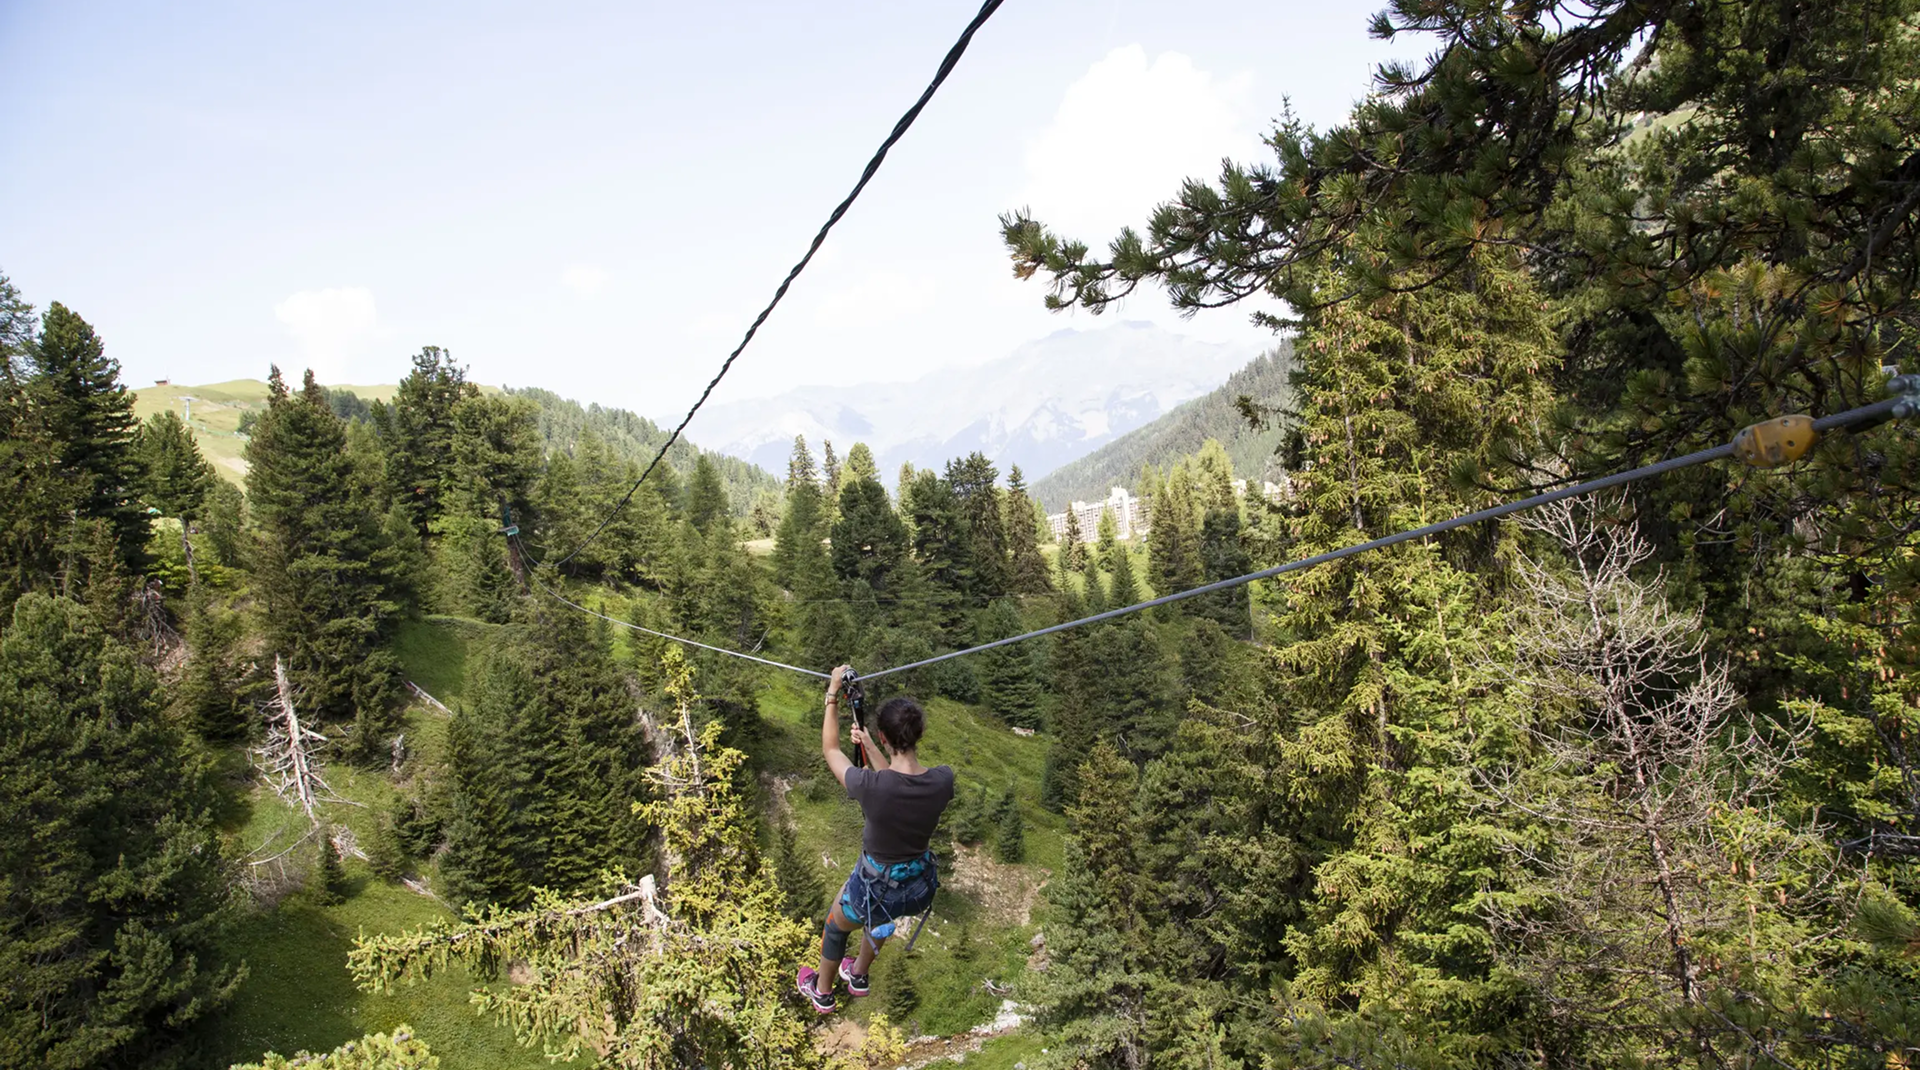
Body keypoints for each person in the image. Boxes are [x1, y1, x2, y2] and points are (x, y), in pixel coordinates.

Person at [796, 665, 955, 1014]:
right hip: (917, 887)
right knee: (883, 917)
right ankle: (858, 974)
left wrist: (832, 694)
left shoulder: (871, 786)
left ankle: (822, 991)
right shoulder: (943, 780)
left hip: (875, 887)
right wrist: (868, 743)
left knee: (835, 927)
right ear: (918, 734)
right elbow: (899, 781)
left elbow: (831, 750)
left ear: (885, 737)